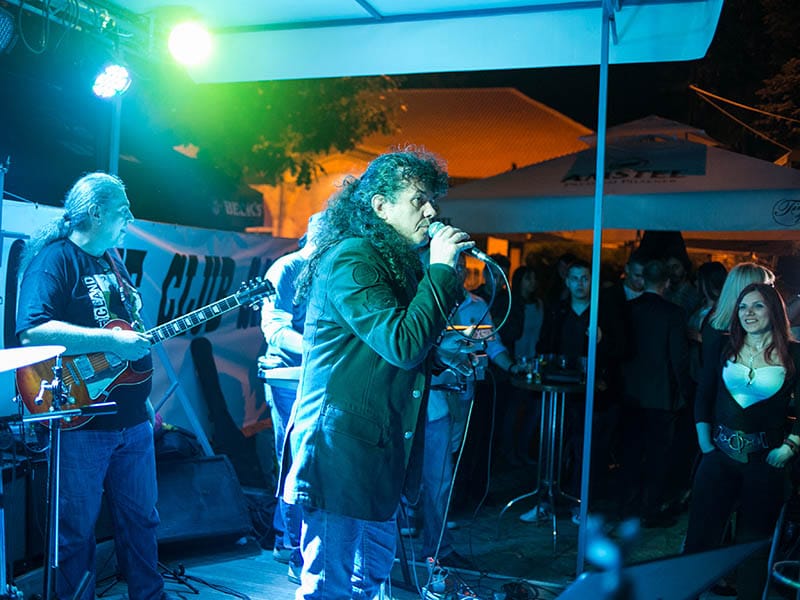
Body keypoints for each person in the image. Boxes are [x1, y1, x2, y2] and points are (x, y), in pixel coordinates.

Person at [279, 148, 473, 599]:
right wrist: (441, 271)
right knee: (330, 586)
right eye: (419, 200)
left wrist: (439, 357)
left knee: (370, 578)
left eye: (433, 200)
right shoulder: (353, 259)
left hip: (375, 451)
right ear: (380, 206)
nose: (431, 211)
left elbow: (384, 348)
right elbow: (401, 344)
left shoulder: (392, 260)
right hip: (340, 451)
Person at [15, 173, 167, 600]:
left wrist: (143, 394)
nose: (130, 218)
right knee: (75, 530)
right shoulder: (56, 260)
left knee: (142, 520)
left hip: (131, 419)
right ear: (96, 213)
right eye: (122, 211)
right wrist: (111, 341)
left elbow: (126, 334)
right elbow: (31, 332)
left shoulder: (112, 261)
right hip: (81, 422)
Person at [684, 283, 800, 599]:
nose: (748, 313)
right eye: (743, 307)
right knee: (699, 541)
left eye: (758, 305)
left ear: (774, 310)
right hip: (718, 456)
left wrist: (790, 446)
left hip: (765, 462)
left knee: (753, 548)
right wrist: (706, 445)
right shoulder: (721, 345)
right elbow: (703, 395)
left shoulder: (794, 353)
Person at [408, 253, 518, 569]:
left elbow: (492, 344)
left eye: (461, 267)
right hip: (428, 399)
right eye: (451, 265)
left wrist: (512, 367)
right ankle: (429, 544)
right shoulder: (422, 299)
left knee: (442, 474)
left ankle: (435, 545)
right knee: (430, 475)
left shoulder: (476, 305)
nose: (456, 271)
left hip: (459, 395)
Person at [259, 213, 320, 584]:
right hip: (286, 379)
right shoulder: (287, 269)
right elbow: (276, 329)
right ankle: (292, 545)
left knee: (309, 462)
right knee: (294, 461)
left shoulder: (329, 271)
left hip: (314, 376)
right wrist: (319, 351)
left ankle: (292, 540)